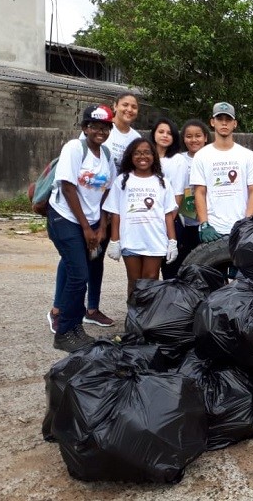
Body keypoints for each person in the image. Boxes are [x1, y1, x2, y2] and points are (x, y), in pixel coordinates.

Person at [46, 104, 117, 352]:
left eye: (106, 127)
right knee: (78, 275)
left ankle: (76, 328)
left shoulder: (107, 156)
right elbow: (67, 187)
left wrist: (102, 228)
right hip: (64, 217)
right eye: (95, 126)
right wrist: (87, 228)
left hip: (92, 221)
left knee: (82, 275)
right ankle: (64, 332)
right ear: (85, 127)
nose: (101, 131)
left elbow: (109, 191)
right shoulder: (75, 148)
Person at [104, 138, 178, 296]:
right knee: (135, 281)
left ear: (154, 156)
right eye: (137, 153)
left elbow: (168, 215)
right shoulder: (122, 181)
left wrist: (172, 241)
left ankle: (148, 318)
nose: (142, 157)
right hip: (131, 240)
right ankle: (134, 318)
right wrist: (115, 240)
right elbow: (115, 213)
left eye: (146, 153)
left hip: (155, 239)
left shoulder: (162, 182)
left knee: (151, 279)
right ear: (130, 157)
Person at [189, 102, 253, 242]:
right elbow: (200, 192)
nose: (224, 123)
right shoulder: (201, 155)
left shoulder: (247, 155)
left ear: (234, 123)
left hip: (240, 229)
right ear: (212, 122)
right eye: (220, 119)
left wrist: (247, 223)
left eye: (228, 120)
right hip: (214, 229)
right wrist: (204, 224)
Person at [168, 118, 211, 272]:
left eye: (198, 136)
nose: (194, 140)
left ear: (205, 137)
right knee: (179, 264)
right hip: (183, 220)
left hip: (208, 222)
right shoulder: (178, 159)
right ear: (183, 138)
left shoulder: (213, 157)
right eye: (189, 136)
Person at [151, 117, 189, 279]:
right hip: (147, 220)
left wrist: (168, 222)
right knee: (148, 270)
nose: (165, 135)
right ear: (153, 134)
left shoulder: (178, 160)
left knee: (170, 270)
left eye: (169, 133)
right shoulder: (145, 157)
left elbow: (179, 194)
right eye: (161, 132)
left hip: (170, 220)